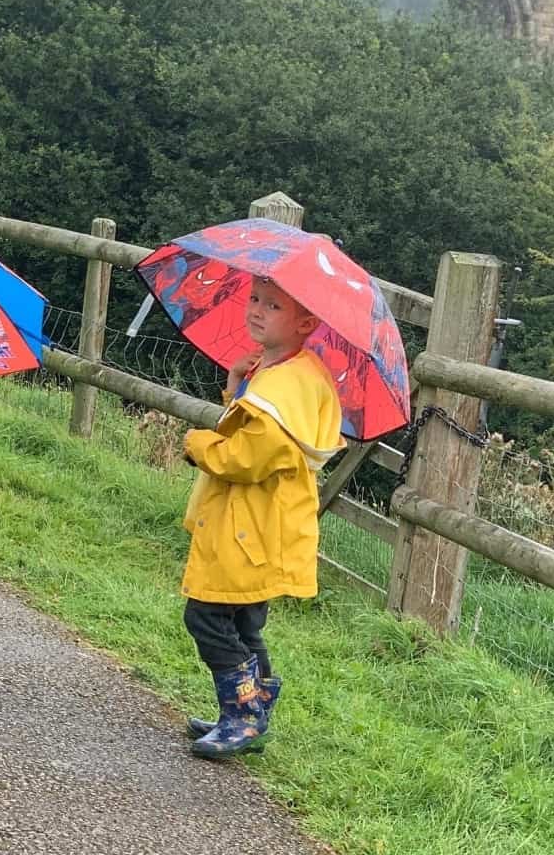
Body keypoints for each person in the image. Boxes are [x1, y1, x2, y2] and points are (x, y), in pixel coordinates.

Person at [180, 276, 344, 759]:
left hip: (251, 526)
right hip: (263, 524)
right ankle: (249, 713)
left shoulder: (284, 385)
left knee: (208, 615)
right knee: (244, 621)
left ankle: (244, 714)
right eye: (254, 299)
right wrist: (237, 390)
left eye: (273, 305)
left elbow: (246, 457)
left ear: (306, 323)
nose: (255, 310)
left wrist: (197, 443)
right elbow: (255, 433)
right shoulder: (284, 373)